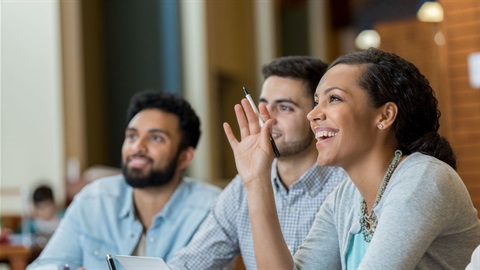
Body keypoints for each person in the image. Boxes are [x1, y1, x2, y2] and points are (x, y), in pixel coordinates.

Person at [223, 48, 480, 269]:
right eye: (316, 102)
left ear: (384, 116)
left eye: (333, 98)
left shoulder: (423, 178)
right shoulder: (345, 197)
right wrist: (256, 179)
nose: (313, 114)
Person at [168, 56, 347, 269]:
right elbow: (191, 262)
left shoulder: (346, 185)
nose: (266, 119)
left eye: (285, 108)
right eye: (261, 105)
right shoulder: (241, 188)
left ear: (317, 114)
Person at [28, 91, 221, 269]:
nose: (137, 146)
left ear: (185, 157)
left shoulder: (211, 210)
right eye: (132, 136)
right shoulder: (94, 200)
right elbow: (45, 265)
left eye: (156, 138)